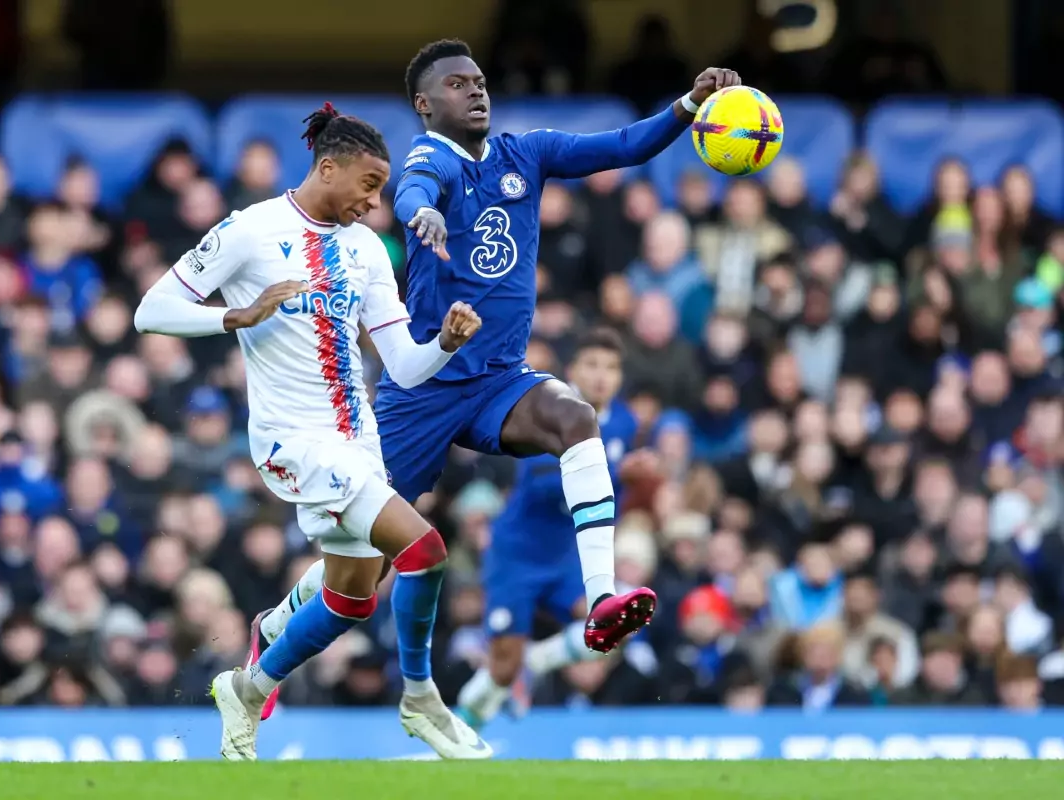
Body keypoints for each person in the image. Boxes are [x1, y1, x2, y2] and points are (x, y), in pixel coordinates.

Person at [250, 43, 738, 668]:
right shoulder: (431, 159)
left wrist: (690, 104)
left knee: (575, 418)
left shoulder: (525, 153)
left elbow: (621, 146)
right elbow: (414, 189)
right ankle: (273, 629)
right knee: (359, 575)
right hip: (421, 389)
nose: (476, 91)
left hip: (499, 380)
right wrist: (421, 212)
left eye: (479, 81)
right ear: (425, 104)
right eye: (457, 84)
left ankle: (602, 601)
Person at [133, 103, 491, 761]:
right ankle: (421, 697)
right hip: (291, 440)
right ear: (328, 167)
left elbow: (406, 366)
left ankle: (247, 686)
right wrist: (236, 316)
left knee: (351, 601)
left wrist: (443, 342)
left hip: (357, 443)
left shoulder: (367, 252)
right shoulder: (250, 230)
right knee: (425, 551)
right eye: (368, 184)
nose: (375, 201)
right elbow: (150, 311)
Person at [456, 328, 638, 729]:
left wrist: (627, 483)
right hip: (517, 555)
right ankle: (461, 730)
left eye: (610, 368)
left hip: (565, 557)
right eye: (591, 365)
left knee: (618, 623)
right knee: (502, 668)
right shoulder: (550, 407)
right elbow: (539, 483)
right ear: (572, 369)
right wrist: (613, 471)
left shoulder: (625, 422)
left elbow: (611, 495)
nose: (601, 376)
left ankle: (535, 662)